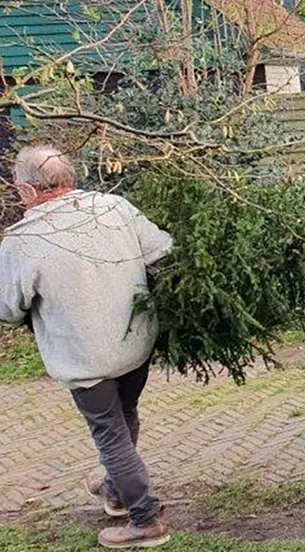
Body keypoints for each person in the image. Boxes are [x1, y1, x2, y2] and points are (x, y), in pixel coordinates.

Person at [0, 146, 173, 549]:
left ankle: (146, 519)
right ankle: (116, 490)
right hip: (135, 343)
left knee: (109, 433)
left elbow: (7, 309)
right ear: (71, 178)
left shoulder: (23, 240)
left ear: (27, 190)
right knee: (123, 416)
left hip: (84, 357)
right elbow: (161, 248)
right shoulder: (114, 207)